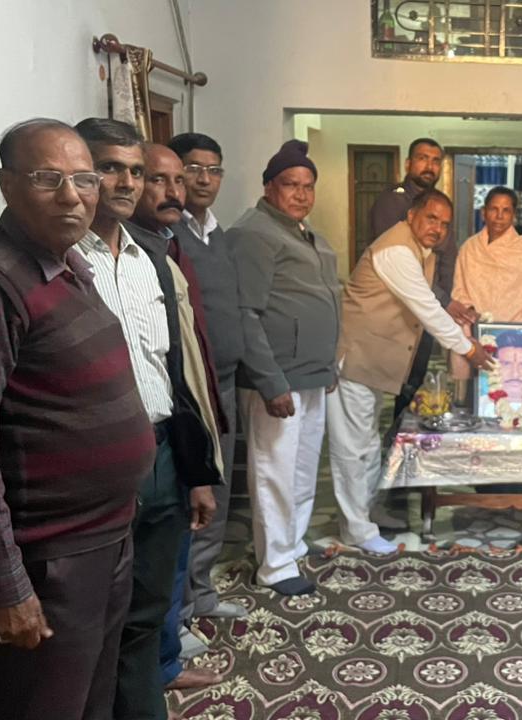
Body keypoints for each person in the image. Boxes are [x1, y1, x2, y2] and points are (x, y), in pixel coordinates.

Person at [0, 119, 151, 720]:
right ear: (7, 185)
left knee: (93, 703)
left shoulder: (66, 264)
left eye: (83, 179)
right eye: (48, 179)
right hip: (51, 559)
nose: (72, 195)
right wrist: (7, 584)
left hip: (106, 537)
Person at [83, 133, 221, 719]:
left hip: (161, 451)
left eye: (135, 171)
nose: (127, 183)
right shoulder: (60, 262)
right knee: (91, 621)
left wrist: (194, 470)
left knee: (146, 612)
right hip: (94, 465)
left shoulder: (152, 261)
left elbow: (175, 371)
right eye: (109, 168)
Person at [327, 189, 493, 553]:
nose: (438, 229)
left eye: (445, 224)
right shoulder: (397, 250)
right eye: (431, 218)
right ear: (411, 216)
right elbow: (426, 308)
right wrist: (468, 348)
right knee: (352, 449)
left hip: (372, 363)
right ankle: (356, 530)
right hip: (355, 358)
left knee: (367, 443)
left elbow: (428, 302)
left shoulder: (420, 251)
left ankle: (363, 515)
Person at [227, 139, 341, 596]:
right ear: (268, 187)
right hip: (278, 377)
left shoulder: (300, 231)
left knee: (303, 467)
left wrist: (328, 364)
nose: (301, 194)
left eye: (308, 186)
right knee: (274, 469)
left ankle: (291, 545)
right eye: (291, 185)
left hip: (310, 371)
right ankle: (274, 564)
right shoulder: (254, 233)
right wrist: (270, 381)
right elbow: (245, 313)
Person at [167, 131, 248, 622]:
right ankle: (179, 609)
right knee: (190, 496)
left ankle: (203, 593)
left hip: (226, 381)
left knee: (217, 489)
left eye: (213, 170)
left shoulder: (216, 234)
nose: (204, 179)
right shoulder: (165, 234)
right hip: (190, 387)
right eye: (193, 169)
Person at [367, 137, 465, 529]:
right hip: (395, 320)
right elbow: (406, 268)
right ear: (408, 162)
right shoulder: (393, 202)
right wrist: (443, 303)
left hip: (425, 318)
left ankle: (402, 478)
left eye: (436, 160)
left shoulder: (439, 204)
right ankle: (386, 488)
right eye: (423, 158)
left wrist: (447, 300)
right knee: (387, 404)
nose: (429, 165)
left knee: (410, 397)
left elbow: (445, 258)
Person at [449, 185, 522, 382]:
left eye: (506, 210)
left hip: (516, 328)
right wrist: (471, 311)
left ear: (514, 215)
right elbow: (459, 290)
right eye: (494, 209)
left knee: (511, 383)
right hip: (476, 325)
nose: (499, 216)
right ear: (483, 212)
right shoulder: (469, 248)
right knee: (471, 384)